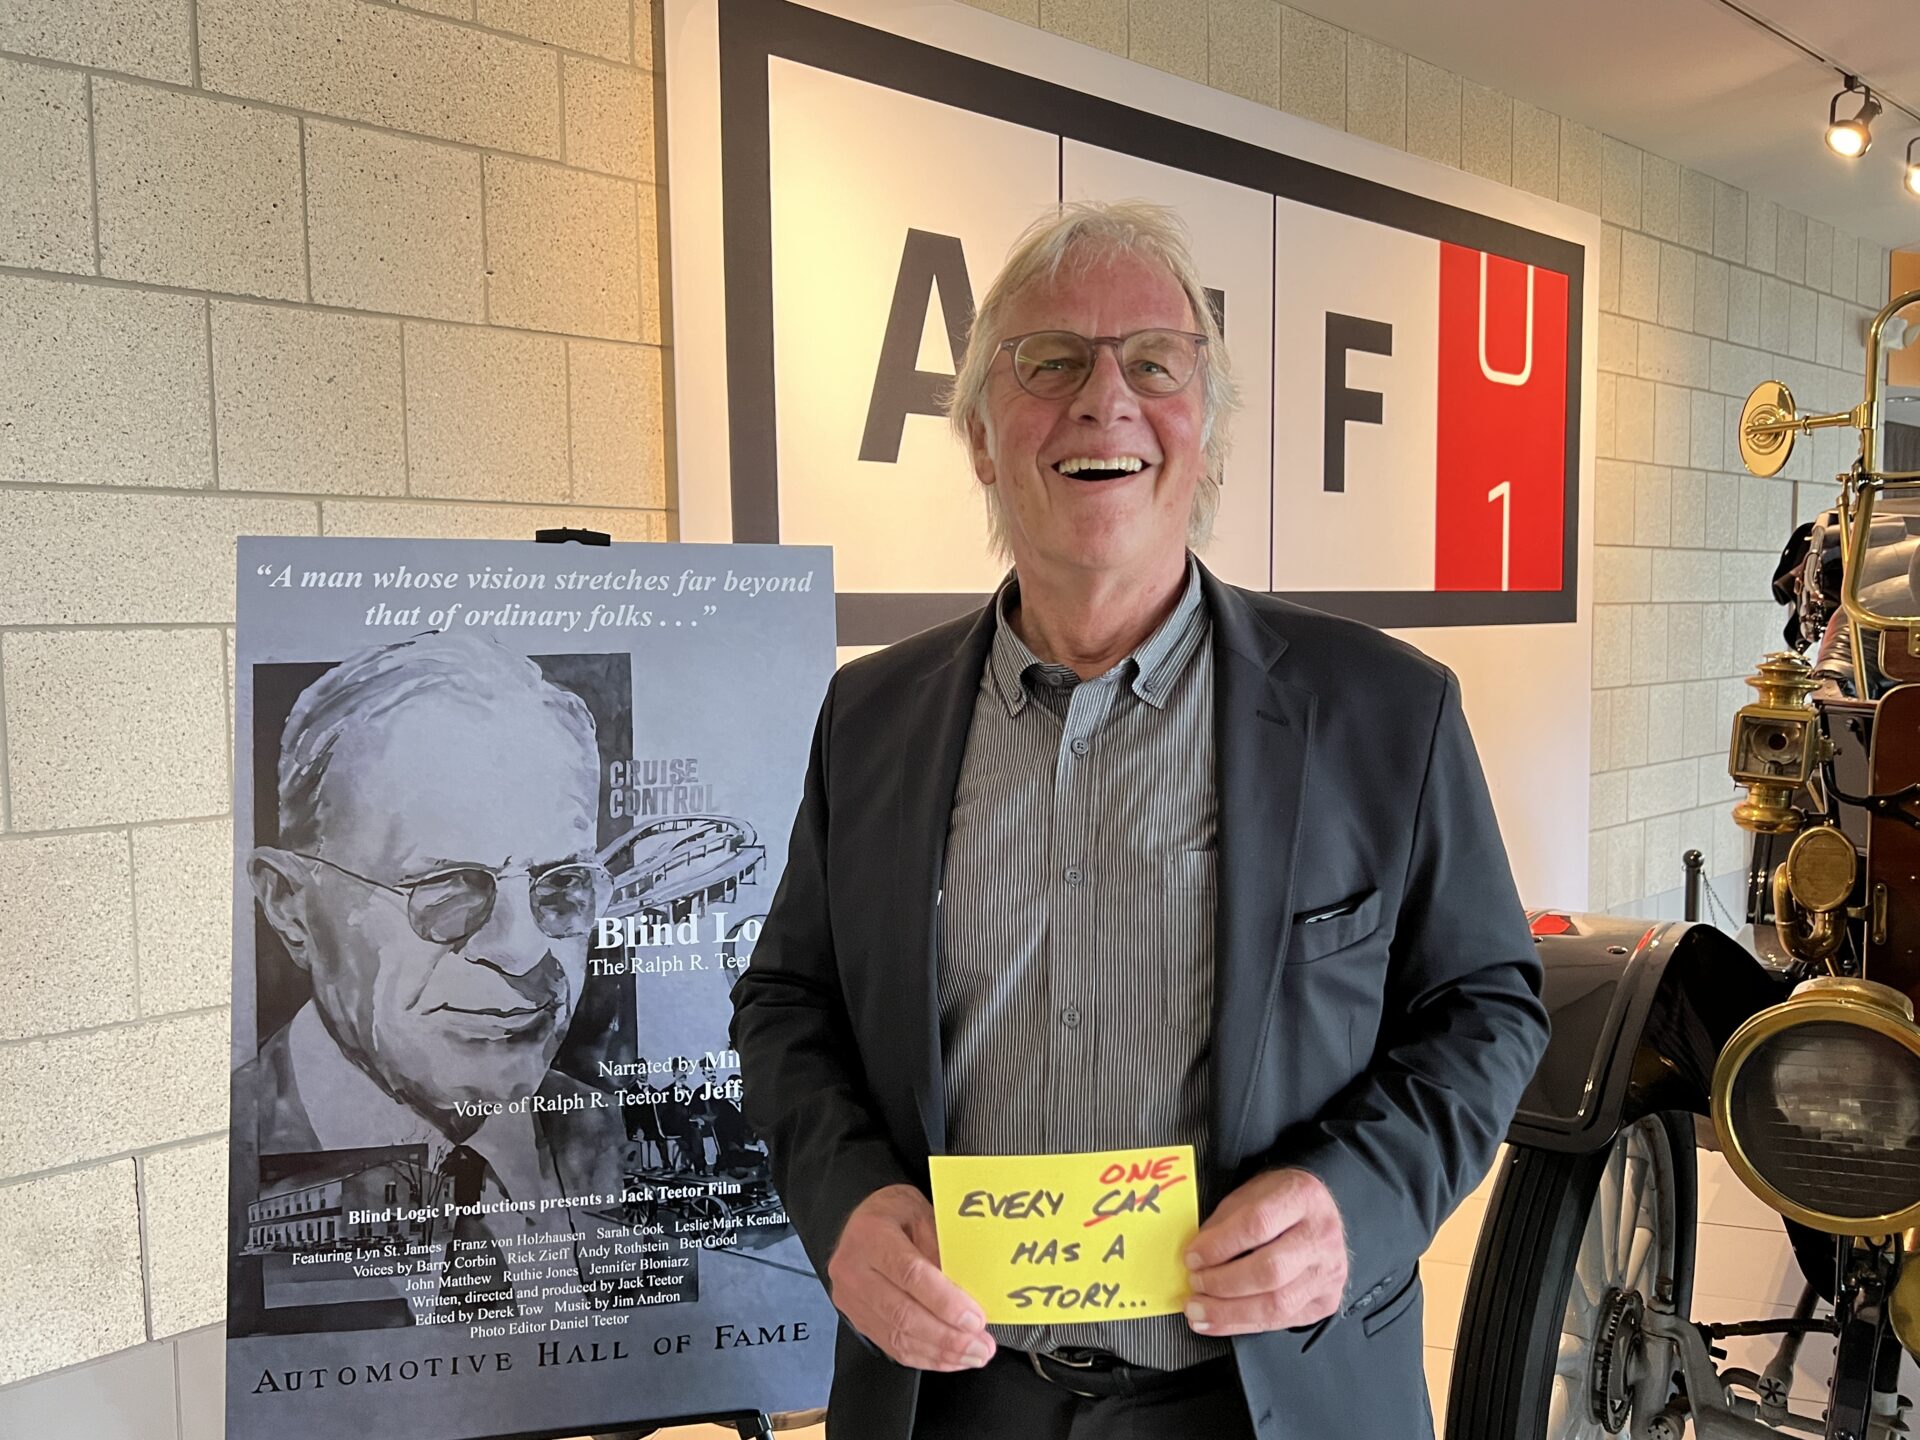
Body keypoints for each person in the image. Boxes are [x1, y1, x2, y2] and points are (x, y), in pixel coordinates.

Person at [730, 201, 1550, 1438]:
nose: (1104, 401)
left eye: (1155, 364)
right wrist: (842, 1201)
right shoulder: (871, 718)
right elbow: (788, 1004)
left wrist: (1361, 1202)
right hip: (954, 1403)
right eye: (1051, 361)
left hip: (1269, 1401)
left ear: (1206, 437)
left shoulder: (1387, 712)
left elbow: (1487, 1006)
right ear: (981, 440)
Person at [240, 633, 634, 1316]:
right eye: (447, 888)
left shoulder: (620, 1133)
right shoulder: (218, 1168)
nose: (521, 950)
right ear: (291, 907)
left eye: (561, 884)